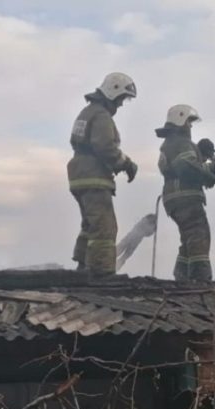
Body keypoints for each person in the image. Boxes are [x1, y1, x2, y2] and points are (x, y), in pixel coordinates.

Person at [67, 72, 139, 276]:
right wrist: (125, 163)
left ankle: (83, 266)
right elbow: (105, 146)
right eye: (121, 99)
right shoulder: (101, 115)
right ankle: (101, 272)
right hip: (94, 175)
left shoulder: (87, 112)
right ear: (113, 91)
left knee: (90, 225)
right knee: (104, 228)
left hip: (79, 175)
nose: (121, 104)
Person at [155, 105, 215, 282]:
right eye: (189, 123)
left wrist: (201, 156)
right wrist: (213, 167)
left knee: (188, 238)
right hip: (185, 197)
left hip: (174, 199)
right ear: (180, 120)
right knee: (199, 235)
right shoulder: (181, 143)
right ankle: (200, 279)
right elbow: (188, 169)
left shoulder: (171, 143)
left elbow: (189, 166)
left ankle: (182, 276)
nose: (190, 127)